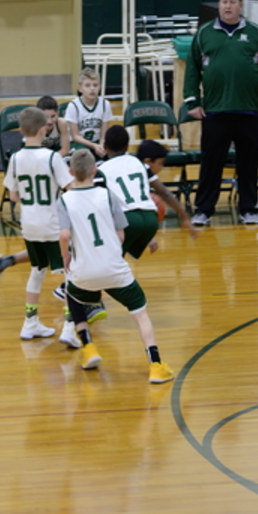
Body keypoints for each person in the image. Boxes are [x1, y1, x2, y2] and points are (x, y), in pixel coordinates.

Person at [58, 148, 174, 383]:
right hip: (114, 269)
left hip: (84, 273)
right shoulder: (107, 195)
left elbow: (64, 235)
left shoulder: (65, 199)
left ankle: (88, 346)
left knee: (72, 293)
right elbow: (121, 235)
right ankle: (156, 366)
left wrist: (66, 255)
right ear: (95, 170)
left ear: (70, 173)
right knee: (140, 315)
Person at [183, 0, 258, 226]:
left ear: (241, 6)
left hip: (247, 110)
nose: (227, 6)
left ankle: (248, 209)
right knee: (211, 164)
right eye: (224, 2)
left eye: (232, 2)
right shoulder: (204, 33)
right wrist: (192, 100)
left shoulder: (255, 33)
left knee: (248, 164)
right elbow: (192, 68)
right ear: (219, 5)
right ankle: (204, 211)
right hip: (215, 111)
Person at [0, 106, 80, 347]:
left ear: (20, 130)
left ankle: (30, 322)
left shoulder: (16, 158)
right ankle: (70, 326)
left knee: (37, 271)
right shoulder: (52, 157)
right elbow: (70, 189)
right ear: (44, 130)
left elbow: (13, 195)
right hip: (52, 224)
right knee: (71, 274)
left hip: (28, 224)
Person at [98, 128, 198, 258]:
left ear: (105, 147)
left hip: (128, 219)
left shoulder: (101, 171)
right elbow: (164, 193)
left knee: (109, 259)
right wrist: (185, 217)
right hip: (151, 219)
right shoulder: (140, 164)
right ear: (127, 146)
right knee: (116, 261)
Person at [64, 67, 113, 160]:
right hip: (80, 143)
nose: (92, 89)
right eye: (87, 85)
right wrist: (93, 146)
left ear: (100, 87)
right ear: (80, 88)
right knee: (84, 156)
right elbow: (75, 136)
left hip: (97, 142)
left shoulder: (105, 104)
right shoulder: (73, 106)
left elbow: (104, 134)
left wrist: (101, 145)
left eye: (95, 85)